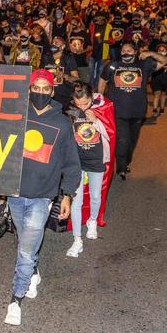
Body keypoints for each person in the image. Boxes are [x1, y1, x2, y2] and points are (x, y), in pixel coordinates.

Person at [0, 69, 81, 326]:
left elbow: (71, 164)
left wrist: (67, 195)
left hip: (42, 198)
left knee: (24, 249)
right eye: (37, 87)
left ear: (53, 91)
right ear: (29, 89)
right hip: (15, 193)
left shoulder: (62, 124)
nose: (41, 92)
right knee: (25, 243)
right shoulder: (15, 117)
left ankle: (15, 300)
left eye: (46, 88)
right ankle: (33, 269)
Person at [98, 42, 167, 180]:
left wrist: (150, 53)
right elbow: (102, 81)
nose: (126, 52)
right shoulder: (112, 65)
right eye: (123, 50)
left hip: (137, 112)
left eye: (129, 50)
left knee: (132, 142)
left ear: (135, 52)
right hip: (117, 112)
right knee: (122, 141)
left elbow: (165, 60)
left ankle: (125, 163)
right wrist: (100, 100)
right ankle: (121, 169)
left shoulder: (144, 65)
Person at [65, 83, 111, 258]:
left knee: (95, 195)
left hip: (96, 160)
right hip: (77, 161)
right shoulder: (71, 112)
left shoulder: (102, 110)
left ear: (91, 98)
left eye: (85, 103)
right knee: (76, 201)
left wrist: (96, 122)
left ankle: (92, 220)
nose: (82, 107)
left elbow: (110, 134)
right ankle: (77, 239)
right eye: (79, 104)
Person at [39, 35, 79, 107]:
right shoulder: (45, 57)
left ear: (63, 46)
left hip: (63, 95)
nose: (54, 44)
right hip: (47, 93)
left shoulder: (68, 58)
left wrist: (64, 75)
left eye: (56, 43)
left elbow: (76, 78)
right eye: (53, 43)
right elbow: (39, 74)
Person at [150, 44, 167, 117]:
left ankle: (162, 109)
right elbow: (150, 69)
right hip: (155, 80)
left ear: (166, 51)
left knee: (163, 94)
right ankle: (154, 110)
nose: (161, 52)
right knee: (157, 94)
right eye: (159, 50)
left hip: (165, 80)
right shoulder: (153, 60)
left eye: (163, 50)